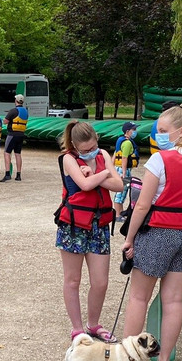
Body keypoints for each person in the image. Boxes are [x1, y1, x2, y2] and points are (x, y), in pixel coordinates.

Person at [120, 103, 182, 361]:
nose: (158, 134)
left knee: (139, 296)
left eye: (163, 130)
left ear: (180, 131)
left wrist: (130, 237)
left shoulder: (161, 160)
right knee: (173, 301)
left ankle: (128, 358)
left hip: (159, 232)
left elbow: (142, 205)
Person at [54, 121, 124, 342]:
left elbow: (120, 185)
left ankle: (93, 324)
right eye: (84, 150)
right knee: (73, 279)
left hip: (99, 225)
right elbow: (84, 185)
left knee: (100, 281)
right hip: (73, 225)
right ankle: (77, 329)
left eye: (92, 147)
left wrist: (94, 172)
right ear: (74, 145)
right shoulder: (68, 158)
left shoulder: (103, 153)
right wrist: (103, 175)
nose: (89, 152)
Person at [0, 93, 29, 181]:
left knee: (7, 153)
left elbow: (5, 121)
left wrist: (1, 119)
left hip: (12, 134)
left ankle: (8, 174)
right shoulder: (25, 111)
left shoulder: (13, 111)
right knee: (18, 154)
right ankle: (18, 175)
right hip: (21, 135)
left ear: (16, 101)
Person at [113, 121, 139, 215]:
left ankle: (119, 212)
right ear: (128, 131)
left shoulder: (120, 140)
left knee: (121, 191)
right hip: (124, 169)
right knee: (121, 192)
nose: (135, 131)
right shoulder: (127, 143)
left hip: (119, 168)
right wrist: (124, 173)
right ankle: (118, 214)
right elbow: (124, 157)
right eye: (134, 129)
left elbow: (115, 154)